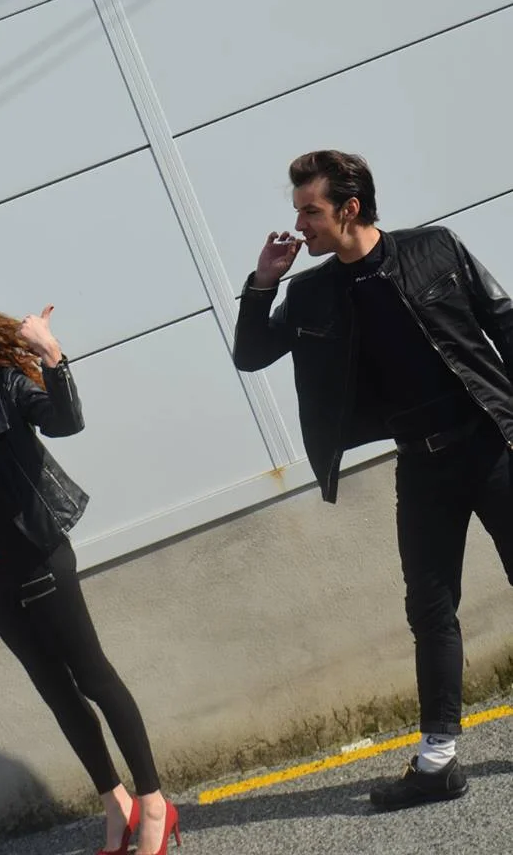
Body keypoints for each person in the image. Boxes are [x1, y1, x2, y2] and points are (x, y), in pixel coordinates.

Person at [233, 150, 513, 810]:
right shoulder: (312, 293)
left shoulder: (433, 249)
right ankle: (438, 763)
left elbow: (503, 321)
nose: (299, 225)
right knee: (429, 608)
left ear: (349, 208)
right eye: (298, 210)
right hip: (422, 466)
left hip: (490, 446)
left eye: (310, 210)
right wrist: (263, 282)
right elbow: (250, 354)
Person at [0, 290, 181, 855]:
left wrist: (52, 355)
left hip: (40, 556)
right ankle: (116, 803)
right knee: (57, 693)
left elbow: (66, 422)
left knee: (93, 678)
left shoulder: (4, 383)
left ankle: (154, 803)